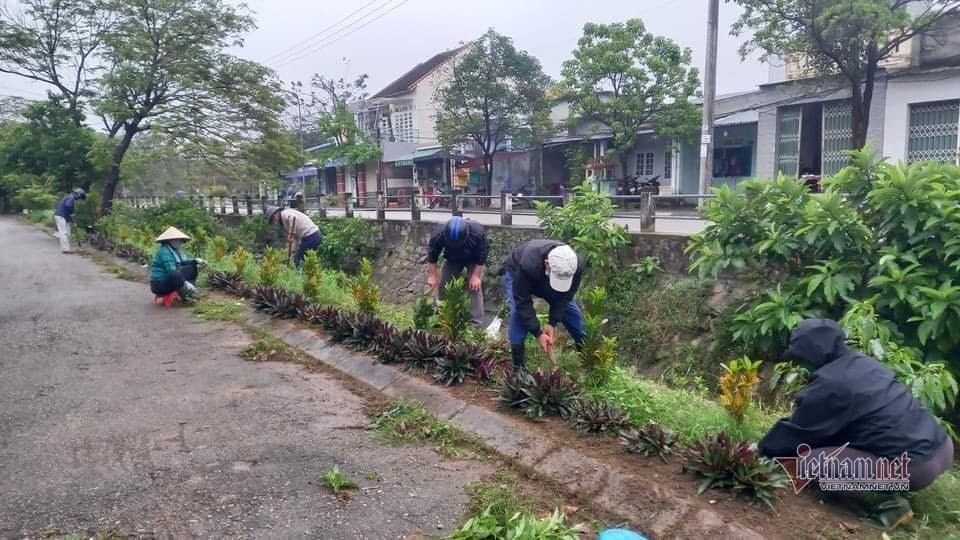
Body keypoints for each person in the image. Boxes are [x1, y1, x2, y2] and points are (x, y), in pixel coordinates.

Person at [759, 319, 953, 529]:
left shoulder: (831, 384)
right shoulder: (860, 362)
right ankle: (887, 482)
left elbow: (798, 434)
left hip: (915, 466)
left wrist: (762, 451)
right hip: (941, 447)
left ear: (811, 352)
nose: (798, 363)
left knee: (811, 463)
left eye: (800, 356)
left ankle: (890, 505)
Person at [502, 239, 585, 370]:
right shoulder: (528, 263)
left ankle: (588, 359)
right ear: (547, 264)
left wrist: (552, 323)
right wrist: (538, 333)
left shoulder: (575, 265)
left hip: (542, 274)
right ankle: (518, 369)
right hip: (517, 273)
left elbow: (565, 297)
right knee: (518, 315)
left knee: (571, 313)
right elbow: (522, 302)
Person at [426, 216, 489, 326]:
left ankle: (475, 324)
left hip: (474, 259)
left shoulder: (477, 232)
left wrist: (476, 276)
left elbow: (482, 255)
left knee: (474, 287)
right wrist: (432, 275)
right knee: (444, 285)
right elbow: (432, 255)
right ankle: (444, 317)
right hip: (452, 258)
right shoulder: (439, 234)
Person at [150, 227, 206, 297]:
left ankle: (191, 290)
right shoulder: (165, 251)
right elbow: (171, 271)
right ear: (170, 240)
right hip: (159, 285)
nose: (180, 242)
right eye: (178, 240)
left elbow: (184, 261)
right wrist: (185, 283)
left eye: (180, 240)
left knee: (192, 266)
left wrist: (195, 260)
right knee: (175, 273)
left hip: (169, 280)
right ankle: (188, 291)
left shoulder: (175, 250)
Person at [53, 188, 86, 254]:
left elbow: (68, 210)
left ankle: (67, 248)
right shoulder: (71, 198)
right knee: (64, 233)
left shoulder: (70, 197)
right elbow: (68, 207)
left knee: (68, 233)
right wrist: (72, 214)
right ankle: (65, 249)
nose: (79, 199)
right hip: (60, 216)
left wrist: (72, 221)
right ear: (78, 195)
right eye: (80, 197)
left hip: (64, 216)